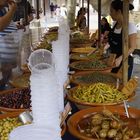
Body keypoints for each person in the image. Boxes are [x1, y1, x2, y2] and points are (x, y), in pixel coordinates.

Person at [108, 0, 137, 80]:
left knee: (121, 86)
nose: (110, 14)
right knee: (112, 84)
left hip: (124, 61)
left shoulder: (130, 26)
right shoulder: (115, 25)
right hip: (113, 61)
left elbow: (132, 47)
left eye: (111, 11)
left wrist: (120, 58)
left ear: (119, 11)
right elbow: (111, 42)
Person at [0, 0, 19, 89]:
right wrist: (12, 11)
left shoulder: (3, 9)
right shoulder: (8, 10)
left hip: (8, 64)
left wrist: (15, 26)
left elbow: (5, 25)